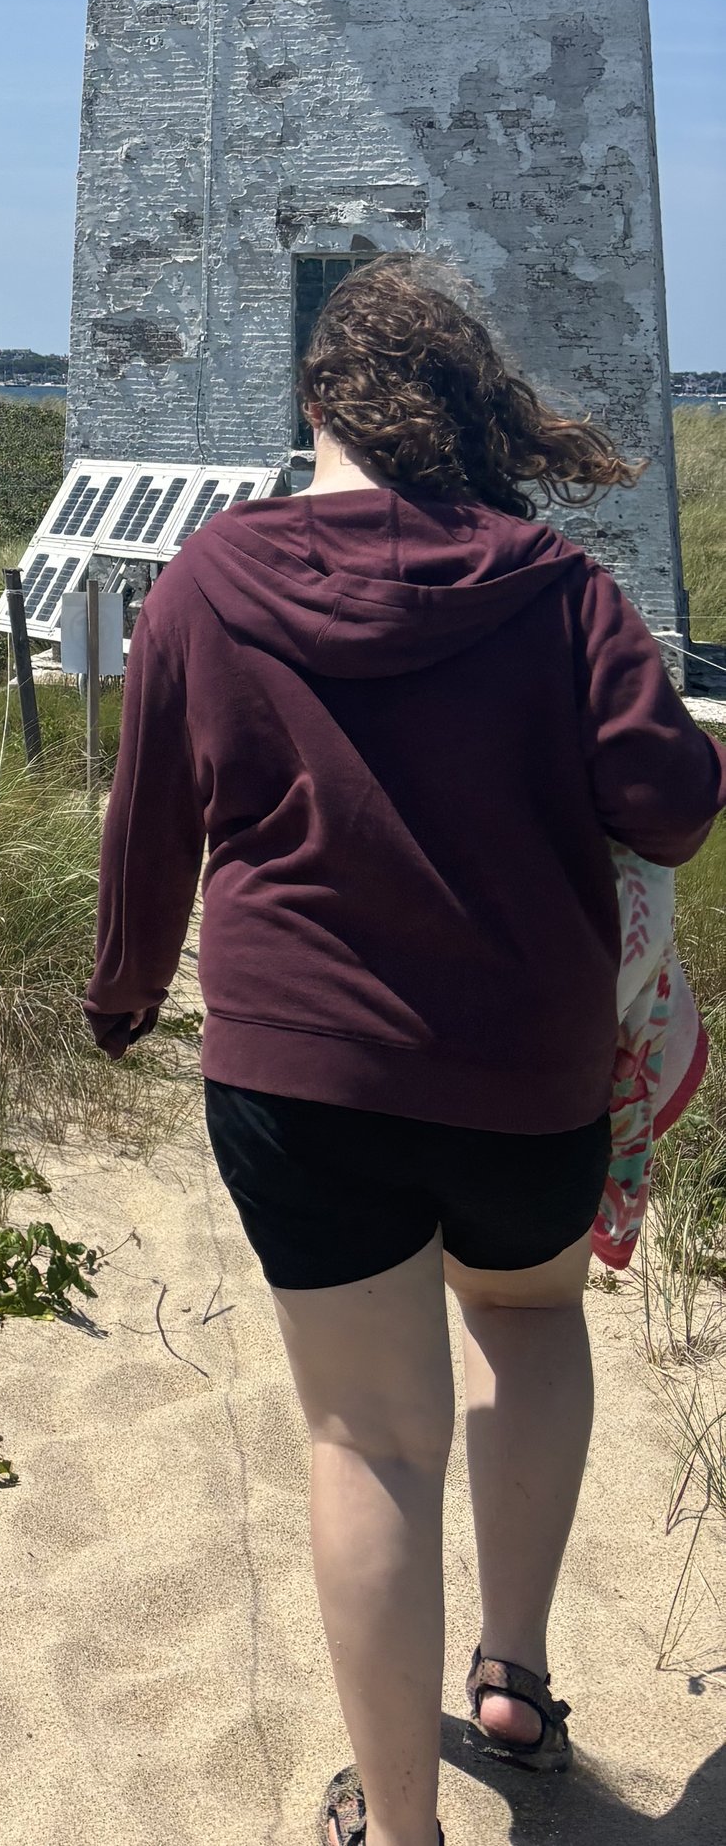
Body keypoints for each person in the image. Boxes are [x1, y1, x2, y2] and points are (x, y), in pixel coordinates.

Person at [87, 257, 722, 1846]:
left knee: (368, 1440)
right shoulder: (559, 588)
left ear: (317, 404)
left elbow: (149, 813)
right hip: (528, 1068)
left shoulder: (206, 579)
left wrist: (124, 994)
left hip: (301, 1075)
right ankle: (512, 1677)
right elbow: (670, 806)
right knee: (526, 1316)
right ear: (461, 409)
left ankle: (400, 1825)